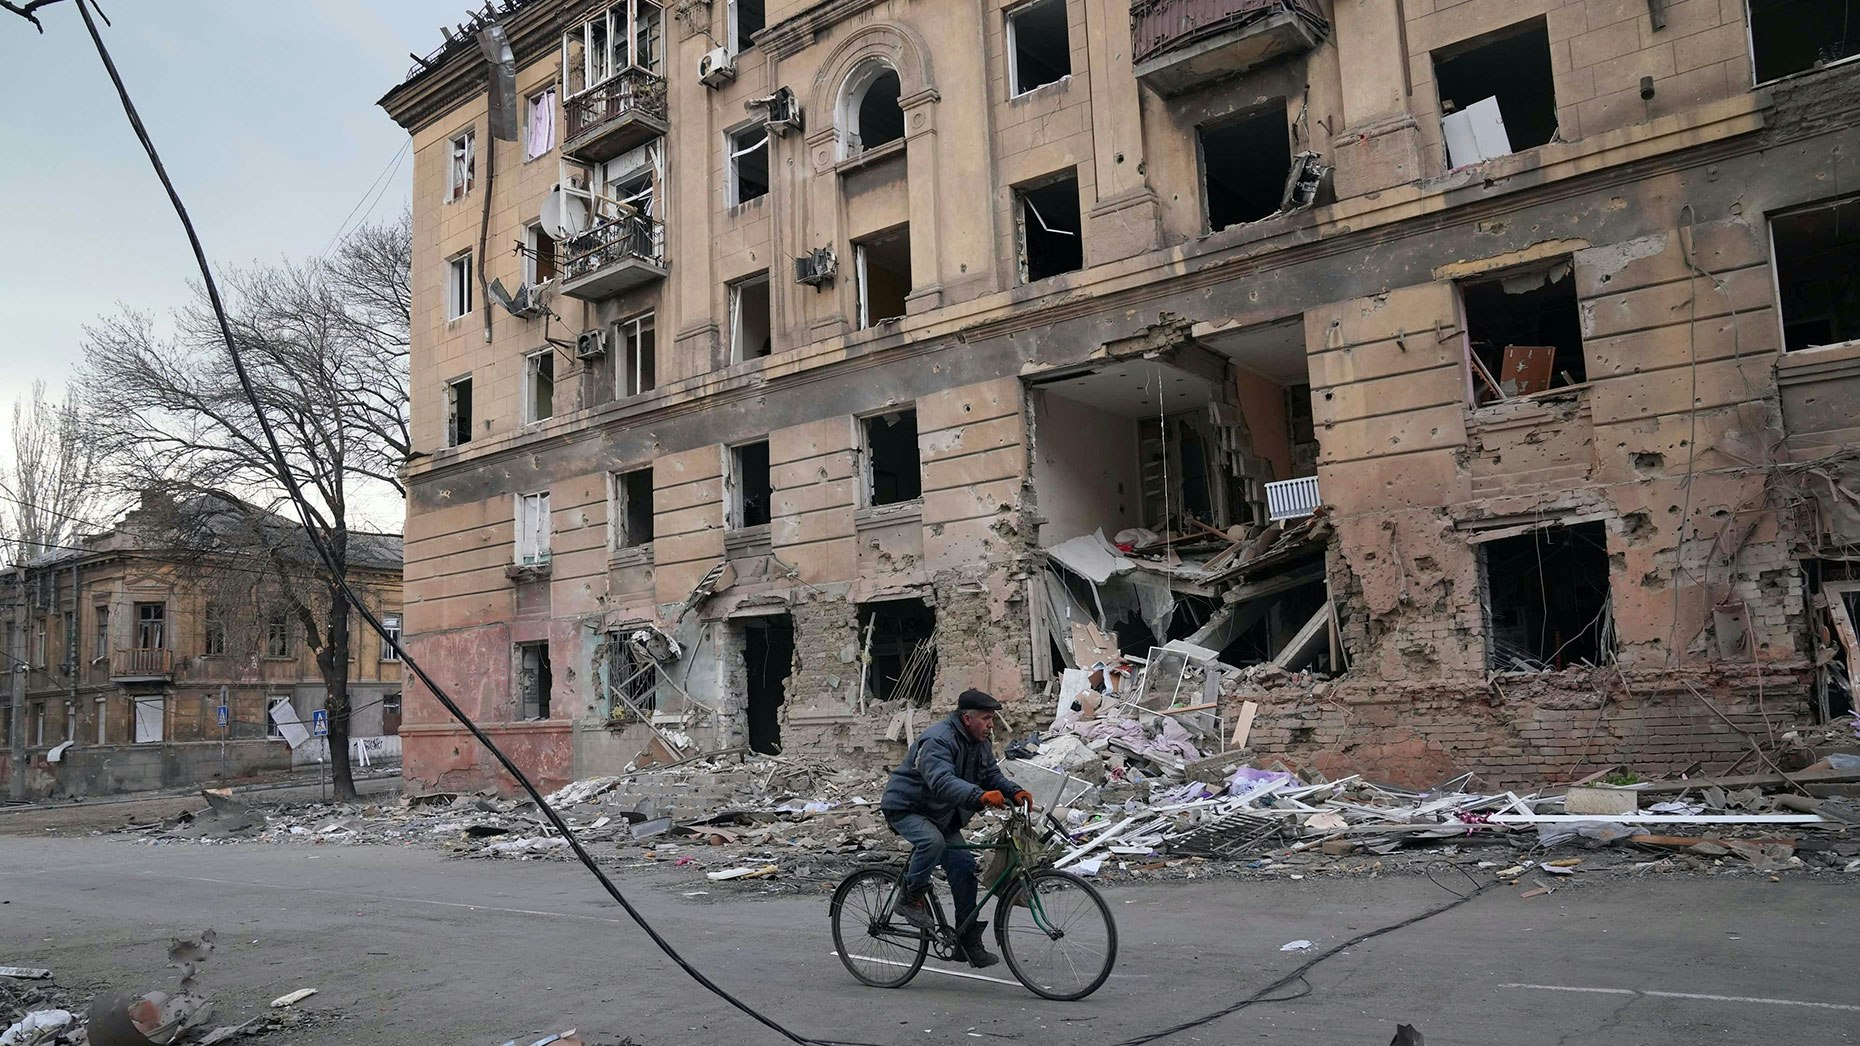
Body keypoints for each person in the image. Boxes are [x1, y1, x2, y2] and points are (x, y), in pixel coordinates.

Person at [880, 688, 1032, 969]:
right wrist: (980, 796)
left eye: (992, 719)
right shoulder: (938, 740)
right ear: (966, 718)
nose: (991, 724)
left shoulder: (980, 741)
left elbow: (991, 775)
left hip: (941, 814)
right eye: (986, 718)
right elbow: (941, 781)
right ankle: (910, 898)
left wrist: (1014, 792)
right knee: (932, 843)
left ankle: (965, 938)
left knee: (964, 868)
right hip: (907, 808)